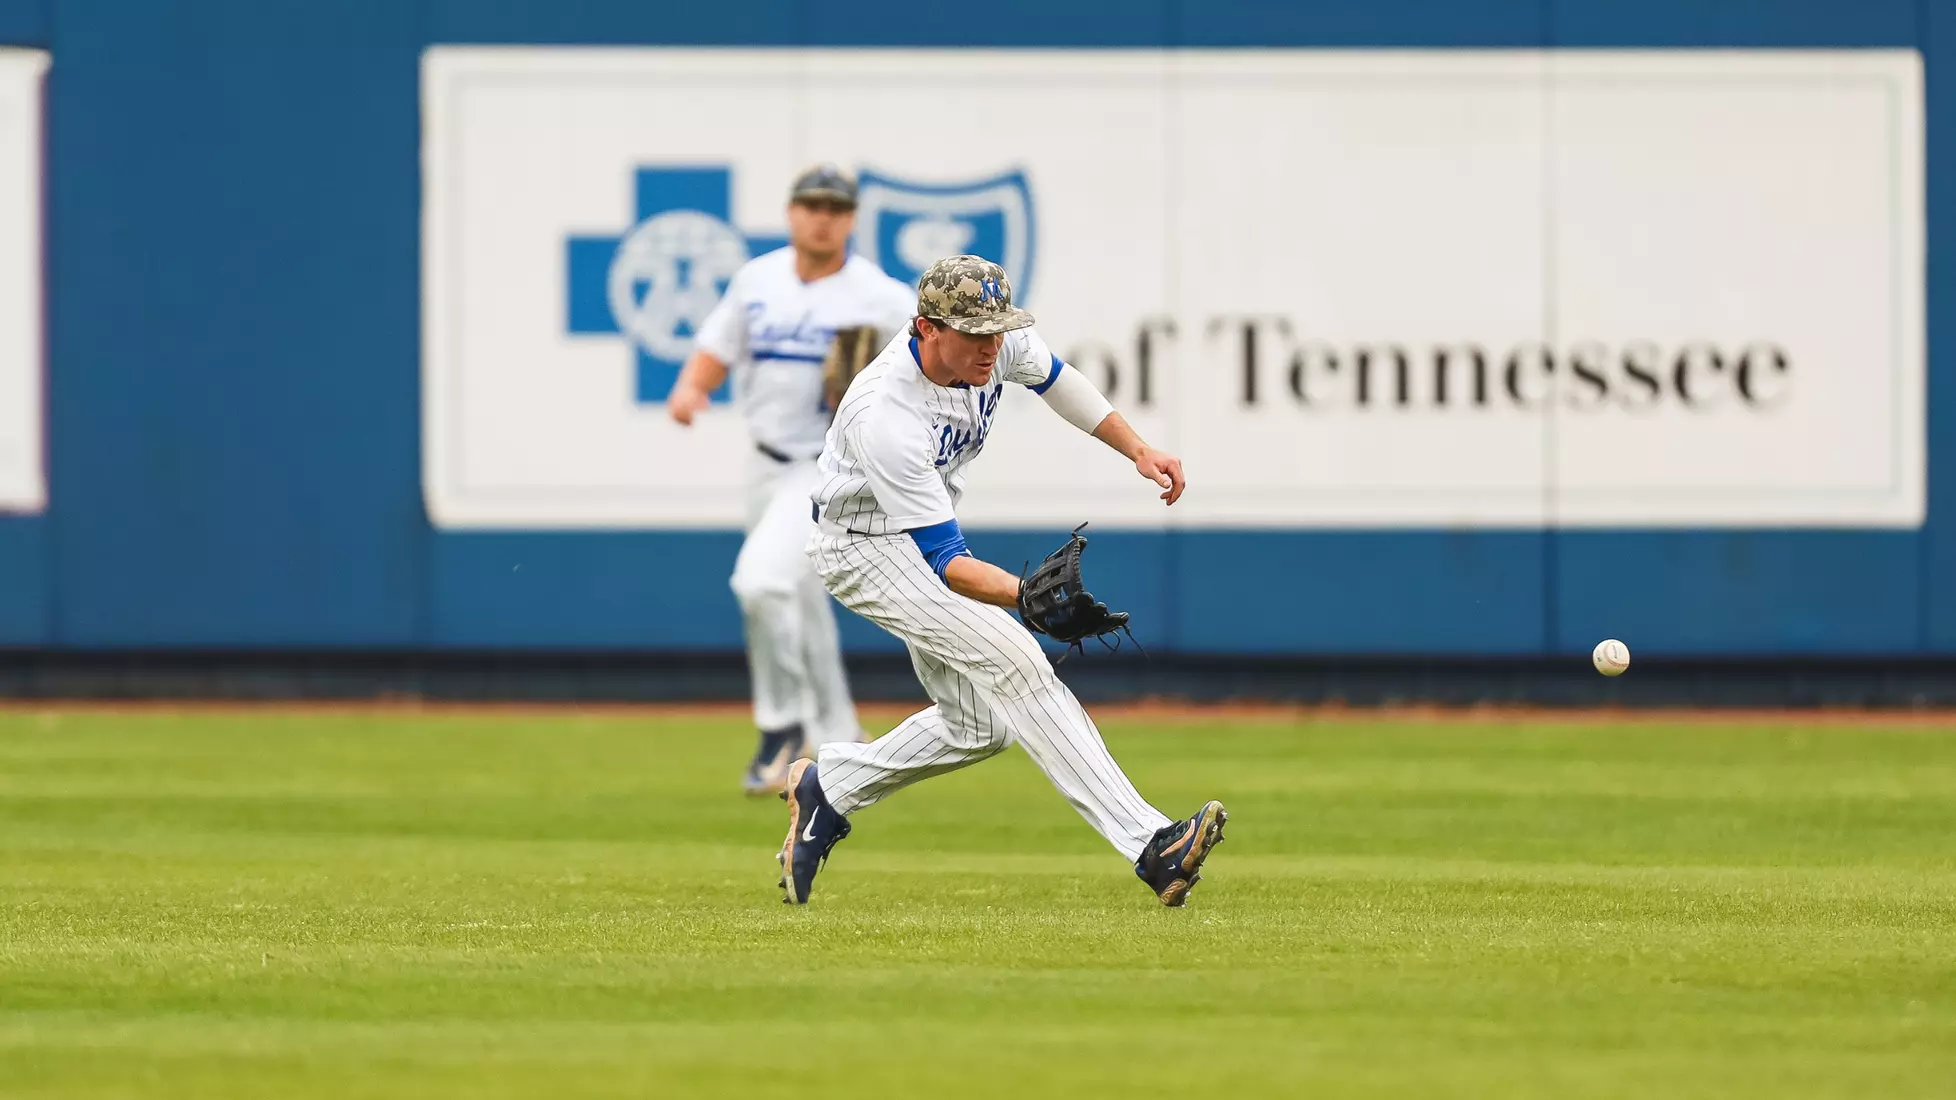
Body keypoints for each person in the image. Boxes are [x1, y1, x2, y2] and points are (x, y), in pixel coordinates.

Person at [776, 255, 1228, 907]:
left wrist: (1139, 449)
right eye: (972, 333)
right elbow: (946, 562)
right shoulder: (885, 413)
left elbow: (1058, 380)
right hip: (862, 548)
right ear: (926, 328)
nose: (991, 346)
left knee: (982, 725)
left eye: (997, 331)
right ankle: (1152, 844)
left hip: (908, 538)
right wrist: (1025, 601)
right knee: (1018, 661)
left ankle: (833, 787)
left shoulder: (994, 343)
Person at [670, 165, 916, 796]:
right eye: (812, 204)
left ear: (852, 218)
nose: (823, 216)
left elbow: (929, 369)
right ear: (790, 212)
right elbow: (718, 345)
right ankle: (841, 735)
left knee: (762, 582)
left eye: (836, 207)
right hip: (762, 460)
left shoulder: (880, 296)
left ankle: (783, 724)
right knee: (802, 607)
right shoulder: (758, 280)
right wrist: (692, 387)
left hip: (826, 468)